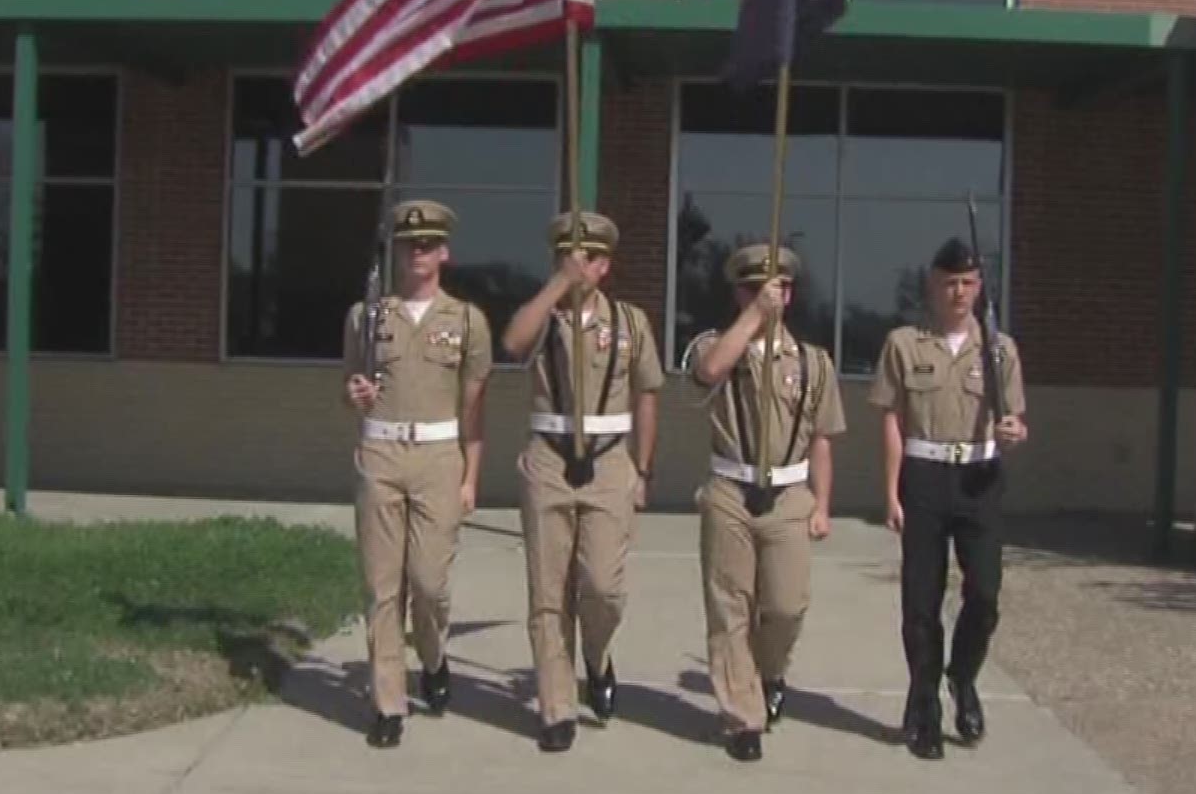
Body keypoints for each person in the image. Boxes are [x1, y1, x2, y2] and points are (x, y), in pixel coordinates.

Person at [500, 210, 663, 753]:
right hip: (548, 458)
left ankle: (596, 656)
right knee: (547, 593)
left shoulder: (629, 322)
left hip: (610, 460)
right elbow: (513, 343)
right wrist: (557, 286)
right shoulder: (545, 315)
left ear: (606, 266)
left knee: (602, 587)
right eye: (571, 257)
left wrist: (642, 469)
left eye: (590, 259)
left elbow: (647, 393)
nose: (581, 266)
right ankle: (556, 708)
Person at [680, 245, 844, 762]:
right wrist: (754, 317)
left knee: (785, 606)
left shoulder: (813, 362)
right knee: (730, 608)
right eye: (751, 289)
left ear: (790, 294)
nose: (766, 296)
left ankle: (769, 672)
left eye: (774, 290)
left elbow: (822, 437)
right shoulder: (716, 344)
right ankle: (741, 718)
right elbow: (707, 373)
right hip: (731, 490)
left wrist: (822, 504)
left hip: (790, 495)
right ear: (739, 293)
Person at [866, 237, 1028, 760]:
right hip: (925, 475)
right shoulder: (906, 343)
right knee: (920, 602)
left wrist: (1014, 432)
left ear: (979, 287)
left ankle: (962, 677)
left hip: (979, 477)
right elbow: (891, 418)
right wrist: (890, 492)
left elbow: (1014, 419)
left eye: (968, 282)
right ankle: (924, 705)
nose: (959, 292)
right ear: (932, 287)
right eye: (949, 283)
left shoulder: (1000, 349)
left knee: (984, 595)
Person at [341, 199, 492, 749]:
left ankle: (433, 658)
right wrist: (356, 394)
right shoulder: (367, 316)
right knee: (383, 588)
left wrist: (471, 477)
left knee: (428, 583)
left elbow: (475, 412)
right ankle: (388, 702)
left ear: (445, 252)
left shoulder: (468, 321)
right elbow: (352, 386)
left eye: (428, 243)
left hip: (438, 458)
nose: (418, 251)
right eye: (408, 243)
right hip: (381, 454)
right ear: (396, 250)